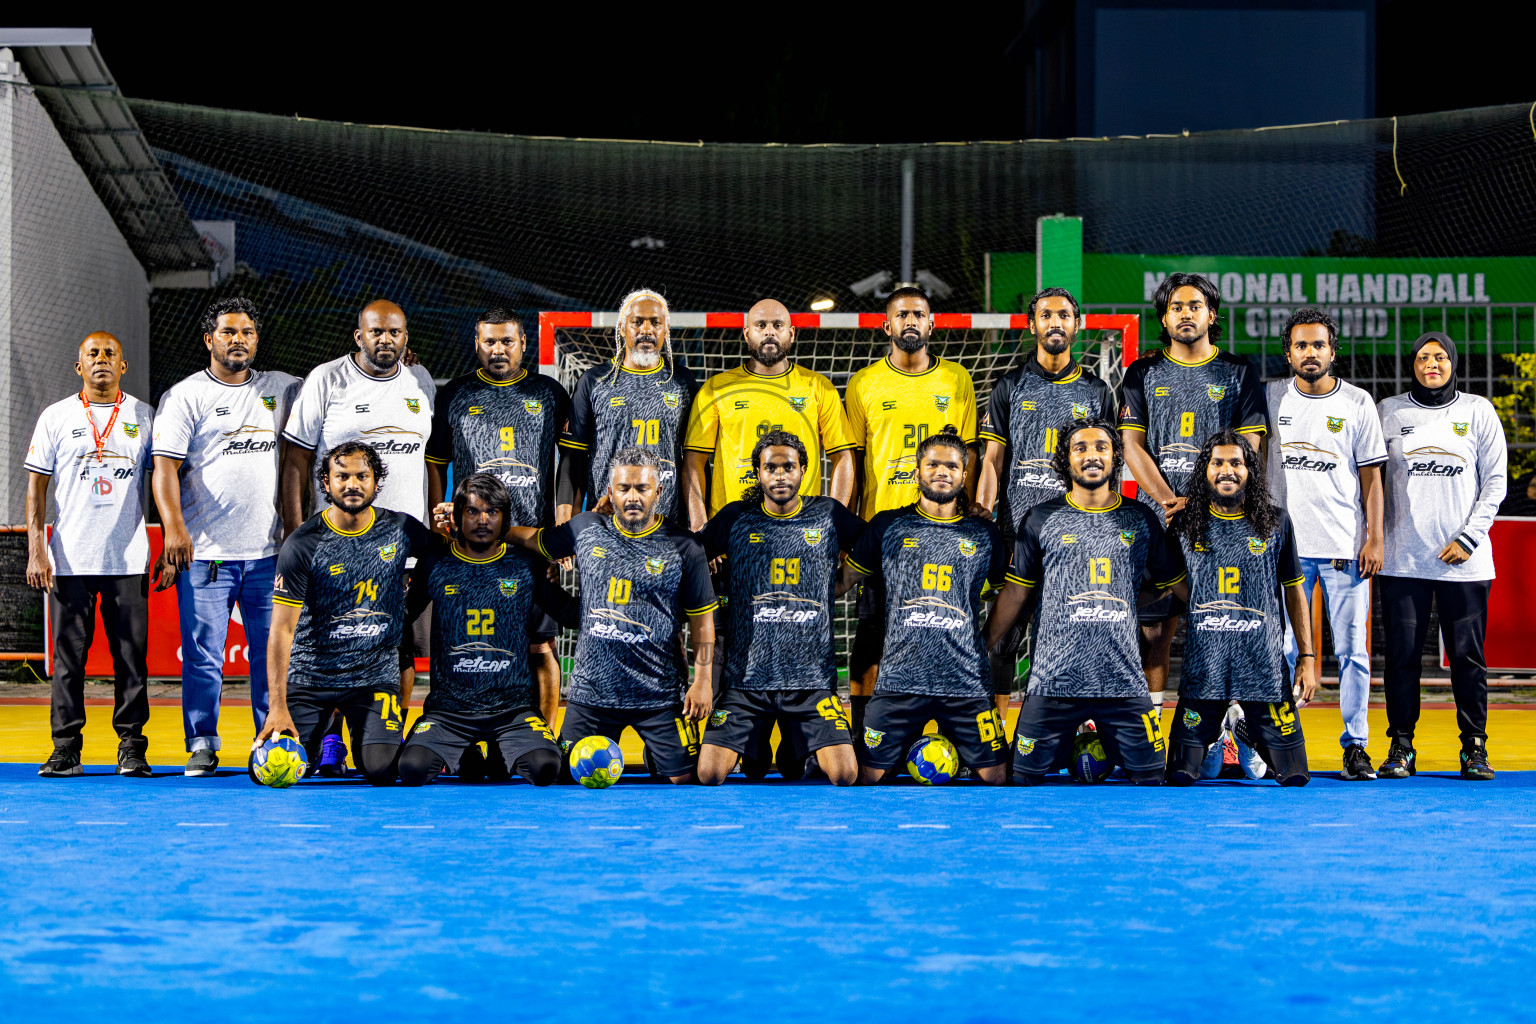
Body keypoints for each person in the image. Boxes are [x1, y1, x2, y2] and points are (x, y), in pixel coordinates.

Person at [682, 297, 856, 776]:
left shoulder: (817, 387)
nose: (770, 331)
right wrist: (702, 535)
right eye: (760, 324)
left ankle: (798, 737)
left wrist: (834, 530)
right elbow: (694, 464)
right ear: (746, 333)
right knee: (733, 636)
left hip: (800, 539)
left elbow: (842, 456)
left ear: (793, 333)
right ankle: (738, 730)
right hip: (737, 540)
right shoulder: (717, 389)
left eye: (778, 323)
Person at [280, 299, 436, 772]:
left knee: (399, 649)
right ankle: (330, 740)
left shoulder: (421, 381)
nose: (385, 340)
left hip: (404, 546)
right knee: (334, 643)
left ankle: (387, 734)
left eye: (394, 332)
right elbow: (296, 460)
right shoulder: (327, 380)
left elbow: (430, 461)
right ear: (358, 335)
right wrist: (295, 535)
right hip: (336, 547)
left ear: (406, 336)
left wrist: (430, 526)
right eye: (376, 332)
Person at [987, 419, 1183, 786]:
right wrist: (981, 644)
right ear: (1066, 459)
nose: (1091, 455)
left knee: (1152, 777)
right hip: (1052, 685)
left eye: (1101, 447)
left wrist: (1217, 605)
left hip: (1123, 687)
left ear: (1115, 457)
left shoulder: (1140, 519)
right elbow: (1015, 593)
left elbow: (1176, 584)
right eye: (1081, 448)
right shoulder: (1039, 519)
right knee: (1020, 778)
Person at [151, 298, 300, 776]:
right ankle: (201, 742)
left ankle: (270, 740)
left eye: (248, 332)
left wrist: (402, 367)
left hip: (269, 554)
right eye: (229, 332)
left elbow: (338, 387)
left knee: (272, 655)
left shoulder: (283, 389)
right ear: (208, 339)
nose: (239, 340)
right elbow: (165, 469)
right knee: (203, 657)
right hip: (206, 554)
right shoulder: (185, 395)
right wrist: (174, 527)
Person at [514, 447, 716, 784]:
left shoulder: (685, 546)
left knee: (684, 781)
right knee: (563, 777)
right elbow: (533, 539)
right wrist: (486, 529)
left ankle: (659, 751)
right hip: (591, 696)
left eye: (642, 488)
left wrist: (703, 681)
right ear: (610, 492)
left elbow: (702, 622)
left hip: (659, 696)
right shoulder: (585, 528)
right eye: (624, 488)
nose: (633, 497)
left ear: (659, 492)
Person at [426, 307, 572, 774]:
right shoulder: (455, 393)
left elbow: (571, 464)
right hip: (470, 545)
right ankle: (467, 738)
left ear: (523, 344)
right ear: (476, 343)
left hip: (529, 545)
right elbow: (435, 460)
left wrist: (561, 531)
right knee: (467, 641)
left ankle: (542, 735)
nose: (498, 350)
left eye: (507, 341)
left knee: (538, 646)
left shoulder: (549, 393)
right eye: (489, 341)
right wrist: (438, 516)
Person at [1119, 273, 1265, 721]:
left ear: (1211, 315)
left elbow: (1249, 449)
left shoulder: (1238, 371)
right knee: (1155, 629)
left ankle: (1231, 727)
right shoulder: (1142, 372)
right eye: (1176, 306)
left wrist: (1201, 501)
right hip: (1158, 521)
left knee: (1224, 622)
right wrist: (1168, 501)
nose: (1186, 313)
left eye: (1195, 306)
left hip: (1221, 521)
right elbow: (1131, 445)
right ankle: (1152, 726)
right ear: (1164, 318)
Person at [253, 442, 435, 785]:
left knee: (383, 771)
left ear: (377, 482)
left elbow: (446, 556)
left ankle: (372, 740)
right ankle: (323, 741)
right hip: (310, 679)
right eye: (342, 476)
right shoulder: (303, 543)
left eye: (362, 476)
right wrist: (277, 707)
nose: (352, 484)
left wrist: (411, 600)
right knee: (272, 769)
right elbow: (280, 631)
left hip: (373, 680)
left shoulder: (402, 529)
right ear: (326, 483)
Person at [842, 286, 979, 740]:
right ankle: (865, 731)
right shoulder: (863, 383)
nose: (910, 322)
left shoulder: (957, 380)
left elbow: (968, 456)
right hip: (886, 534)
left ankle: (954, 727)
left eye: (918, 314)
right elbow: (855, 462)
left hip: (945, 531)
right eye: (901, 315)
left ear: (932, 323)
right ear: (887, 325)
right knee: (873, 631)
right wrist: (850, 529)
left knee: (943, 625)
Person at [838, 428, 1009, 785]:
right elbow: (842, 583)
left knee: (999, 776)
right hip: (900, 681)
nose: (942, 471)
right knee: (864, 776)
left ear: (965, 476)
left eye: (951, 466)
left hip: (966, 683)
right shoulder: (887, 525)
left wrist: (985, 643)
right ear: (917, 474)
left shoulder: (984, 534)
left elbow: (1006, 595)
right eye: (932, 464)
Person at [694, 430, 863, 786]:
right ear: (758, 473)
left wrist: (844, 580)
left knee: (845, 775)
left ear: (804, 470)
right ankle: (768, 747)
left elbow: (879, 544)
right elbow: (689, 555)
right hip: (746, 683)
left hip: (811, 683)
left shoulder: (829, 515)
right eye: (771, 467)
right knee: (709, 774)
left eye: (789, 466)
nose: (780, 475)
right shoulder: (736, 518)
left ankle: (792, 746)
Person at [976, 287, 1113, 719]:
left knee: (1065, 636)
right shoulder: (1010, 386)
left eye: (1065, 315)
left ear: (1078, 324)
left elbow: (1107, 468)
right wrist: (985, 521)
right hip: (1017, 536)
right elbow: (992, 462)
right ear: (1032, 325)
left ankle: (1059, 726)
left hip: (1075, 541)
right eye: (1046, 315)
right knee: (1003, 637)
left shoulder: (1096, 391)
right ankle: (992, 725)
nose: (1056, 323)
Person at [1376, 331, 1507, 780]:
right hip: (1402, 561)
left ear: (1453, 362)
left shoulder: (1477, 411)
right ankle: (1401, 747)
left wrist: (1469, 538)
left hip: (1465, 563)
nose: (1431, 363)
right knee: (1401, 658)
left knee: (1468, 658)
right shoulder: (1389, 411)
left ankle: (1474, 748)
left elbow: (1495, 481)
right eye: (1422, 357)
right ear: (1411, 364)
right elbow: (1372, 481)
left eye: (1440, 357)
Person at [1265, 308, 1386, 780]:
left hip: (1344, 550)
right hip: (1283, 551)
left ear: (1332, 351)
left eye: (1318, 345)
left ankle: (1355, 745)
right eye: (1301, 345)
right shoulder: (1272, 397)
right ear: (1289, 353)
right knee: (1283, 650)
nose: (1310, 353)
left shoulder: (1357, 403)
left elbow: (1372, 478)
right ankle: (1282, 744)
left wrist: (1373, 537)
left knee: (1354, 652)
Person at [27, 332, 155, 777]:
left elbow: (164, 483)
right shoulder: (56, 416)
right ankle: (65, 748)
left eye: (110, 354)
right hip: (69, 559)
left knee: (130, 660)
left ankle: (132, 747)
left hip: (128, 559)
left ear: (123, 365)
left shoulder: (145, 415)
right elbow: (36, 486)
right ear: (78, 366)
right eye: (92, 354)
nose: (101, 360)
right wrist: (36, 551)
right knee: (68, 662)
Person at [397, 474, 577, 787]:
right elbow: (403, 615)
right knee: (412, 769)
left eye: (492, 512)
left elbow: (568, 612)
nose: (483, 520)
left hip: (513, 712)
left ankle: (496, 751)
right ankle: (465, 752)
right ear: (456, 516)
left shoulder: (526, 564)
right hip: (449, 712)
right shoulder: (435, 562)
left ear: (504, 518)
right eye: (473, 512)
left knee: (545, 767)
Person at [1161, 431, 1316, 787]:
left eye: (1236, 463)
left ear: (1250, 472)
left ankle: (1245, 735)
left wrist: (1306, 657)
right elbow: (1174, 583)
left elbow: (1295, 592)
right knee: (1182, 776)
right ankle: (1217, 737)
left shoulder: (1276, 522)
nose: (1226, 471)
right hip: (1204, 675)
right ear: (1205, 470)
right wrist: (1209, 603)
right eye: (1217, 463)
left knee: (1294, 776)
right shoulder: (1184, 526)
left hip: (1263, 672)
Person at [557, 289, 698, 524]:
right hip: (606, 525)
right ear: (622, 328)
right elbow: (572, 460)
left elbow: (694, 461)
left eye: (655, 322)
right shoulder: (594, 381)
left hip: (668, 527)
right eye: (637, 322)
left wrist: (698, 523)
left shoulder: (682, 381)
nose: (646, 330)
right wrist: (565, 528)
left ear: (666, 330)